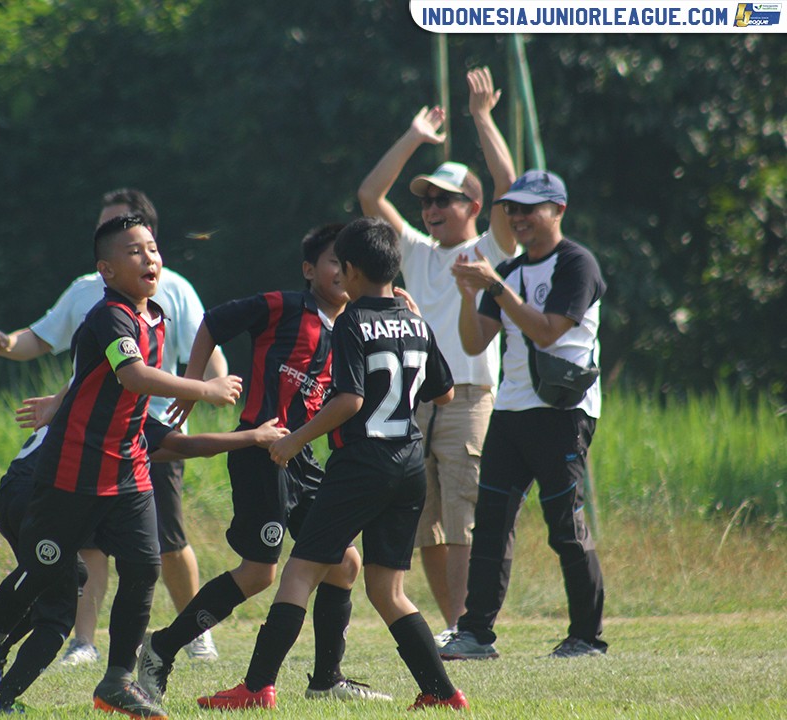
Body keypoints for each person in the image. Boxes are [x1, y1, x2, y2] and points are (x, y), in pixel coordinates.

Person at [0, 214, 242, 719]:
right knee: (44, 569)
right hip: (74, 470)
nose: (149, 258)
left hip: (128, 470)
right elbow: (132, 375)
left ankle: (116, 682)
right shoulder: (110, 315)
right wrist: (205, 389)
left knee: (145, 567)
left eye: (153, 248)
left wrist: (61, 400)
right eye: (134, 251)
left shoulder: (155, 318)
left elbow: (97, 377)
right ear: (106, 270)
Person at [196, 217, 468, 711]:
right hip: (409, 464)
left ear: (351, 270)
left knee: (299, 573)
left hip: (362, 464)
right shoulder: (414, 320)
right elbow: (444, 394)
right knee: (387, 590)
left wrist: (294, 440)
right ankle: (442, 692)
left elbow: (349, 401)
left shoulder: (351, 321)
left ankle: (256, 688)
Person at [138, 224, 390, 704]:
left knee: (344, 563)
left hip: (302, 457)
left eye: (348, 263)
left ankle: (326, 680)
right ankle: (161, 648)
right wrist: (194, 386)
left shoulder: (353, 327)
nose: (342, 271)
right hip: (261, 452)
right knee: (259, 573)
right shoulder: (283, 306)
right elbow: (213, 322)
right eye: (332, 261)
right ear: (309, 269)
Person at [358, 67, 518, 638]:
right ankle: (452, 626)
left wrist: (481, 118)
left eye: (444, 199)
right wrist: (414, 136)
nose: (431, 208)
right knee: (425, 523)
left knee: (462, 516)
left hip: (469, 397)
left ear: (473, 206)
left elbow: (507, 183)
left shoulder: (491, 247)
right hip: (414, 400)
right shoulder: (418, 251)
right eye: (427, 200)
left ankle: (467, 626)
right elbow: (370, 195)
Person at [0, 417, 287, 715]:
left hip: (22, 491)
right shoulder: (121, 402)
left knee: (63, 580)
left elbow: (166, 447)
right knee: (58, 615)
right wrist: (242, 426)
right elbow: (186, 444)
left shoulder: (95, 399)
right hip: (41, 498)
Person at [440, 169, 607, 660]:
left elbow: (548, 331)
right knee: (490, 523)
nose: (518, 217)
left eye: (530, 208)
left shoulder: (576, 264)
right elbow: (475, 342)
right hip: (510, 412)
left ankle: (586, 638)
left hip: (562, 413)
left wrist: (494, 285)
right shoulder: (509, 272)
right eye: (512, 208)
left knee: (565, 527)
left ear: (558, 210)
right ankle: (475, 634)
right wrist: (468, 294)